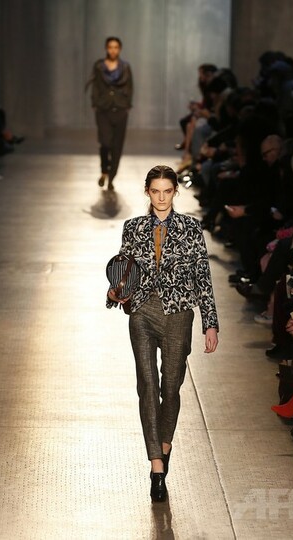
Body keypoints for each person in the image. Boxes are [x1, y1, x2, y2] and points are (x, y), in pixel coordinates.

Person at [106, 165, 218, 502]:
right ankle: (157, 466)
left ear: (175, 192)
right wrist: (115, 293)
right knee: (147, 385)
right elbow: (124, 273)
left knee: (171, 387)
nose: (161, 198)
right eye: (155, 191)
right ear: (147, 192)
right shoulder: (133, 228)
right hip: (142, 311)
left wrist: (210, 322)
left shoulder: (190, 228)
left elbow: (203, 275)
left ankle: (164, 444)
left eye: (167, 191)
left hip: (178, 313)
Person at [89, 37, 134, 190]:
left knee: (117, 146)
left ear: (119, 49)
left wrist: (127, 104)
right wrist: (95, 103)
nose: (113, 50)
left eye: (116, 47)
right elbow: (95, 85)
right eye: (110, 47)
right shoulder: (99, 66)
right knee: (105, 142)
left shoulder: (125, 67)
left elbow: (130, 87)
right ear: (106, 48)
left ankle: (111, 178)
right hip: (103, 109)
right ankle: (104, 170)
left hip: (120, 110)